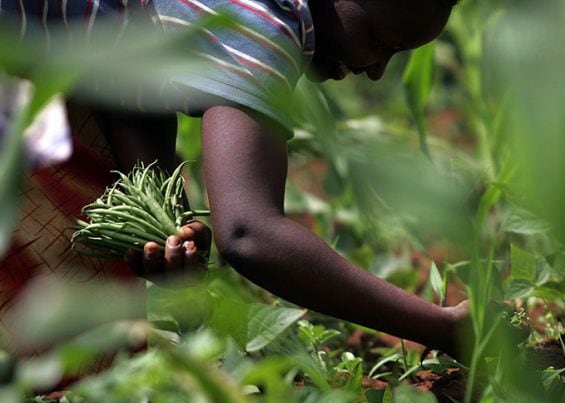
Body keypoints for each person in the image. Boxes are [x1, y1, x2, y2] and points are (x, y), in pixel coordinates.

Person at [0, 0, 469, 357]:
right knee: (60, 351)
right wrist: (442, 328)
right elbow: (250, 234)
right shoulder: (264, 16)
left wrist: (165, 223)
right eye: (380, 42)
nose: (376, 71)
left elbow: (125, 75)